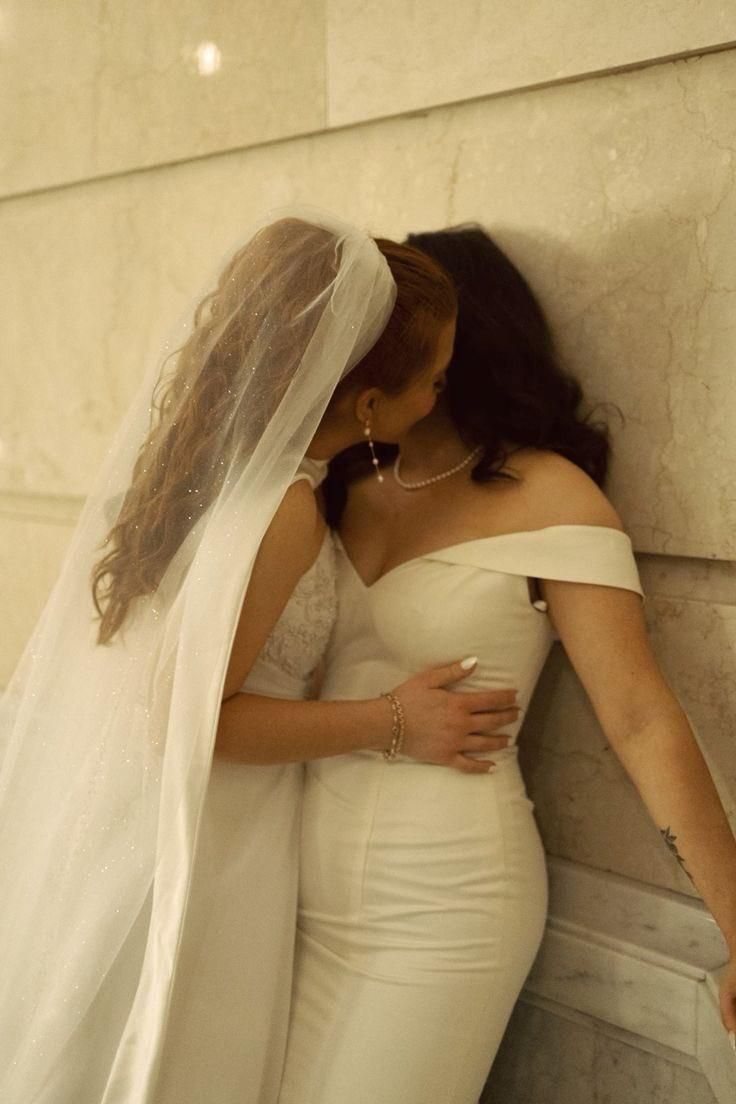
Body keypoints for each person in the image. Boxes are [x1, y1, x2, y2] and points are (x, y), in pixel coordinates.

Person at [0, 210, 518, 1104]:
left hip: (146, 821)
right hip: (212, 842)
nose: (439, 396)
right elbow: (190, 720)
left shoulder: (204, 467)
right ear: (365, 404)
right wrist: (395, 721)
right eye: (432, 379)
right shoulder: (283, 510)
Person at [278, 224, 736, 1103]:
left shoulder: (552, 495)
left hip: (444, 903)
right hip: (298, 887)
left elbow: (640, 717)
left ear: (465, 339)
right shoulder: (340, 481)